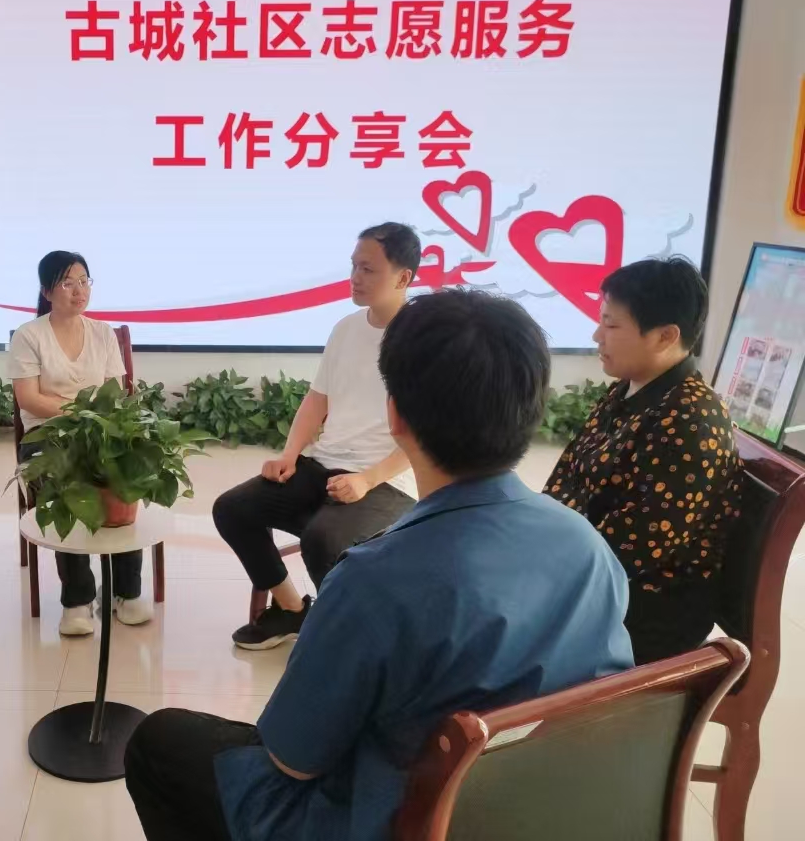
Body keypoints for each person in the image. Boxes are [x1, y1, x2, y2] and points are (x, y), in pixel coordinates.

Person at [124, 289, 634, 841]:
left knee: (160, 742)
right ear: (533, 410)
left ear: (395, 416)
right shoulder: (589, 548)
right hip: (530, 811)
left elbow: (294, 760)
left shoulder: (374, 580)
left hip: (394, 820)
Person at [213, 224, 421, 650]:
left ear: (403, 277)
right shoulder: (346, 328)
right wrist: (290, 454)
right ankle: (293, 610)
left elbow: (423, 436)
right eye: (353, 266)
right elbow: (317, 399)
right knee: (232, 508)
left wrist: (367, 479)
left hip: (387, 481)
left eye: (368, 269)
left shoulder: (423, 340)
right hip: (324, 464)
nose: (355, 277)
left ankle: (348, 640)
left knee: (323, 538)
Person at [545, 257, 742, 664]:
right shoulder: (630, 388)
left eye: (612, 325)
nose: (597, 335)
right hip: (592, 575)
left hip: (645, 610)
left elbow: (630, 551)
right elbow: (567, 476)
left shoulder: (692, 420)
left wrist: (539, 568)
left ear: (665, 336)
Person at [8, 250, 152, 636]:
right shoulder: (28, 335)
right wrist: (80, 413)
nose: (79, 290)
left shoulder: (103, 333)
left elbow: (115, 394)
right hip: (47, 434)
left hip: (98, 431)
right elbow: (29, 399)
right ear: (46, 291)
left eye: (84, 281)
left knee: (125, 474)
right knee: (65, 482)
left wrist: (95, 421)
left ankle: (125, 591)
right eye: (67, 283)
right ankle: (77, 600)